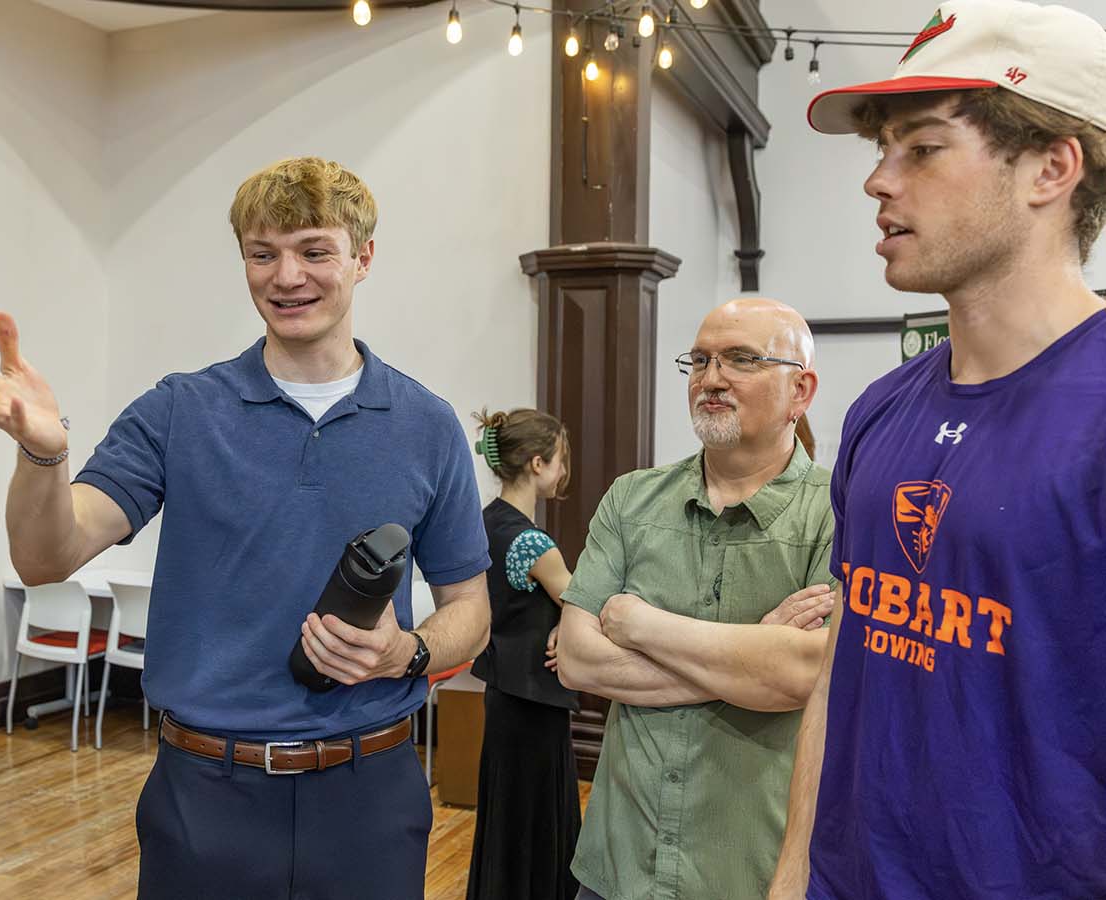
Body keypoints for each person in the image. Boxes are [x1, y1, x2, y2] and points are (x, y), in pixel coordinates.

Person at [0, 157, 492, 900]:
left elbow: (472, 612)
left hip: (371, 795)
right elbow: (48, 556)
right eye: (263, 254)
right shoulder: (179, 411)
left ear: (363, 258)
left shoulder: (426, 425)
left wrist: (408, 651)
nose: (286, 275)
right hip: (205, 796)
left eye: (313, 251)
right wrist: (45, 451)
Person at [772, 2, 1106, 897]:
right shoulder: (881, 411)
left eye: (920, 148)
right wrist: (796, 871)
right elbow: (846, 656)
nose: (878, 182)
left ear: (1050, 166)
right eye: (881, 150)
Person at [556, 298, 838, 900]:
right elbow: (578, 660)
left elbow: (802, 676)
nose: (711, 379)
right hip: (618, 864)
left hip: (748, 872)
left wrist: (640, 624)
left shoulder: (837, 513)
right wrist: (752, 656)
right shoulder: (631, 500)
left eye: (741, 359)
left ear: (801, 391)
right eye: (701, 360)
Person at [464, 408, 580, 900]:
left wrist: (561, 620)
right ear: (537, 464)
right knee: (536, 819)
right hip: (534, 700)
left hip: (505, 694)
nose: (561, 471)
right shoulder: (531, 542)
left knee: (508, 818)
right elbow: (584, 601)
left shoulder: (486, 522)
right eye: (558, 461)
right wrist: (569, 619)